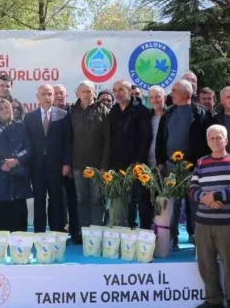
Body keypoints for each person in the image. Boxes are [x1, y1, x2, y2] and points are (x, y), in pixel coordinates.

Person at [189, 125, 230, 308]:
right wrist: (207, 200)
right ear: (207, 141)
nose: (215, 141)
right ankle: (213, 300)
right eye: (211, 138)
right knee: (206, 264)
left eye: (219, 137)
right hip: (203, 223)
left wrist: (215, 196)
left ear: (226, 140)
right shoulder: (201, 162)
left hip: (228, 224)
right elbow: (192, 189)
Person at [156, 80, 212, 242]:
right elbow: (160, 139)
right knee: (172, 204)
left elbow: (208, 142)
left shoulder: (201, 113)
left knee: (195, 203)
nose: (170, 94)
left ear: (185, 94)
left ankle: (197, 237)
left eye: (174, 91)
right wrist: (160, 162)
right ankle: (171, 237)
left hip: (194, 167)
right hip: (171, 167)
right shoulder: (168, 113)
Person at [24, 84, 76, 235]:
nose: (47, 97)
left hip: (57, 166)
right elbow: (27, 142)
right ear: (37, 97)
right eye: (43, 94)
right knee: (39, 200)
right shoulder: (29, 117)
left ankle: (57, 232)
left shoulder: (63, 115)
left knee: (56, 200)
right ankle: (39, 233)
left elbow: (68, 141)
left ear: (53, 96)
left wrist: (67, 163)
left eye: (49, 94)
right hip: (36, 166)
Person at [0, 99, 33, 232]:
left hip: (18, 176)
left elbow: (28, 147)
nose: (5, 110)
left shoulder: (21, 126)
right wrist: (0, 164)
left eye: (7, 107)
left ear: (12, 109)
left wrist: (17, 160)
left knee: (18, 211)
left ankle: (19, 245)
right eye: (2, 108)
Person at [108, 80, 153, 228]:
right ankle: (127, 229)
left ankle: (145, 231)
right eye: (115, 90)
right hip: (118, 164)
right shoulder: (113, 111)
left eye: (121, 89)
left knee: (140, 198)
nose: (117, 93)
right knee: (123, 199)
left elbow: (145, 138)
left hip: (137, 163)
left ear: (129, 91)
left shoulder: (141, 110)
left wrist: (139, 162)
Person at [70, 81, 110, 232]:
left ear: (94, 93)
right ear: (78, 94)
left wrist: (104, 165)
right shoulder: (72, 111)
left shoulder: (104, 111)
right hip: (78, 164)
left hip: (98, 165)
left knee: (97, 199)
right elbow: (68, 138)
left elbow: (108, 141)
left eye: (89, 91)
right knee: (81, 200)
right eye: (83, 91)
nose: (86, 94)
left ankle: (96, 231)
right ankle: (84, 232)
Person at [147, 86, 166, 167]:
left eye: (158, 96)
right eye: (151, 97)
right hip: (147, 164)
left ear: (164, 98)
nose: (155, 100)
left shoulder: (171, 115)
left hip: (165, 164)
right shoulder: (146, 116)